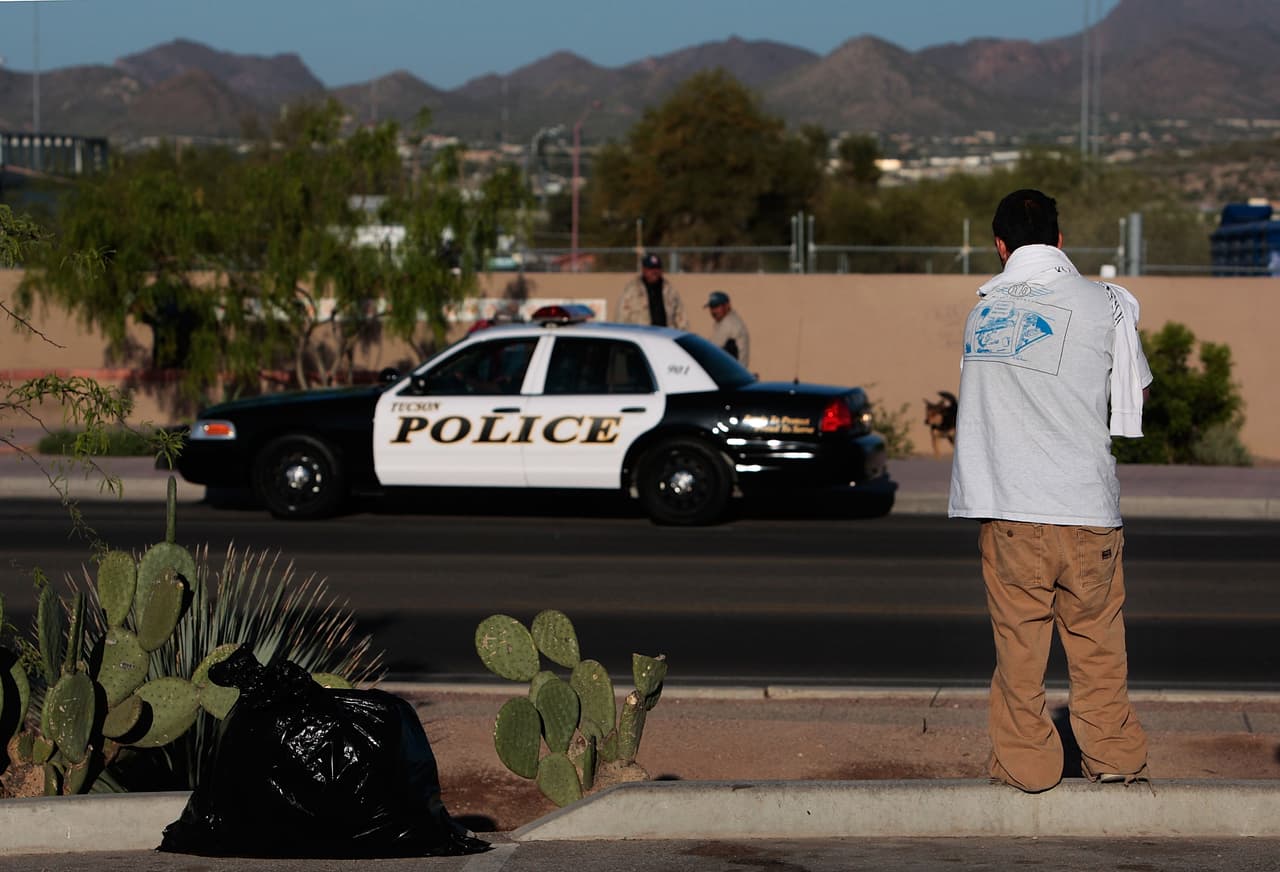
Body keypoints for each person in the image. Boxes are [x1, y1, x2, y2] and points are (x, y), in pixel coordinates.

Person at [948, 189, 1152, 794]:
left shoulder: (980, 314)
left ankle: (1027, 767)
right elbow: (1133, 395)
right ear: (1061, 241)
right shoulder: (1107, 303)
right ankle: (1112, 755)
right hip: (1088, 509)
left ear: (999, 245)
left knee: (1019, 653)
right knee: (1098, 647)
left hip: (1011, 514)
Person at [616, 253, 689, 329]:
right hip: (641, 337)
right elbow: (621, 317)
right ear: (644, 269)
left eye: (657, 268)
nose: (654, 272)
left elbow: (681, 317)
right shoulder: (632, 290)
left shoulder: (669, 291)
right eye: (651, 268)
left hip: (665, 336)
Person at [704, 290, 750, 367]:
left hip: (731, 373)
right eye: (712, 307)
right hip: (735, 371)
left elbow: (711, 350)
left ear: (727, 305)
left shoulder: (728, 324)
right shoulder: (730, 320)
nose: (714, 311)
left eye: (717, 307)